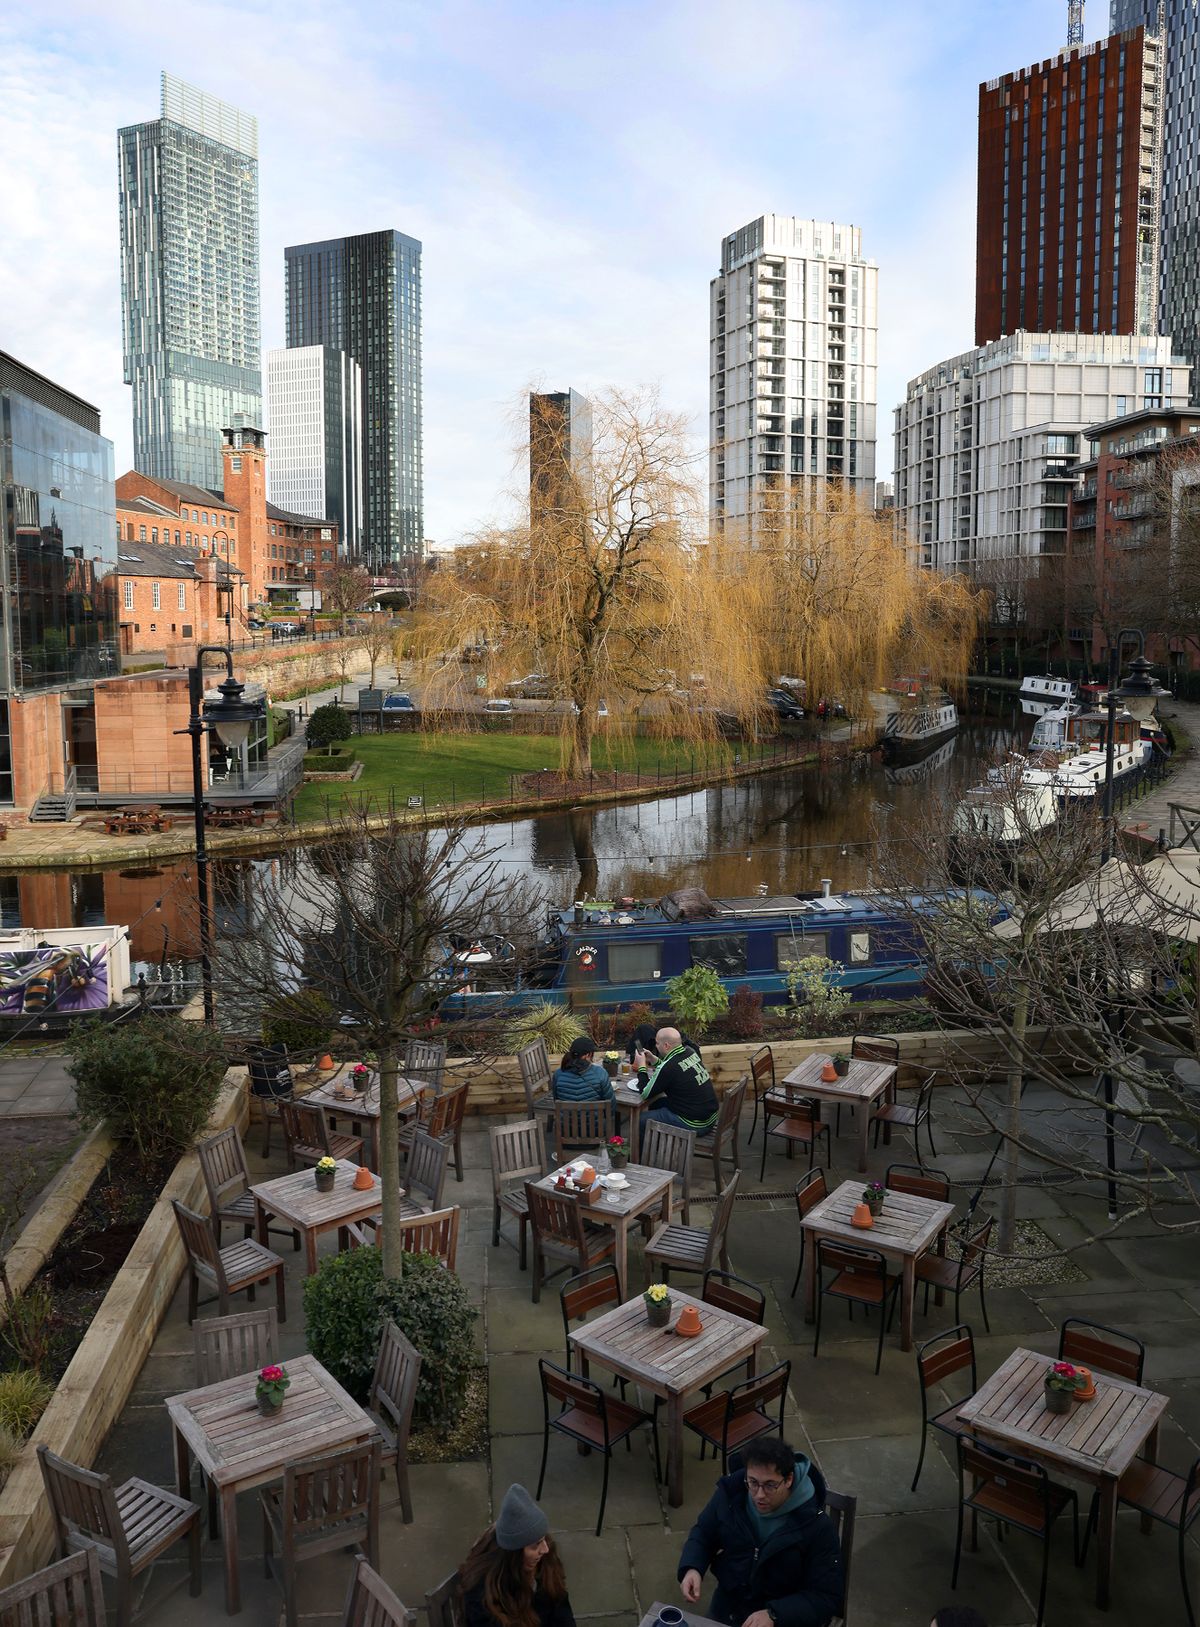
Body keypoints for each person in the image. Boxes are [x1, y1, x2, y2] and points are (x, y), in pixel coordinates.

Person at [678, 1437, 843, 1627]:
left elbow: (825, 1597)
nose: (759, 1495)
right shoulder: (731, 1495)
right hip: (729, 1605)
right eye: (753, 1482)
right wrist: (693, 1567)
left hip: (783, 1617)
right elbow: (703, 1533)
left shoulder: (817, 1526)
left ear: (788, 1479)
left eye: (770, 1485)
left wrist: (774, 1614)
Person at [460, 1484, 575, 1627]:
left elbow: (560, 1605)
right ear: (514, 1554)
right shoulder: (482, 1596)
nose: (545, 1549)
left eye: (543, 1539)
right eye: (536, 1545)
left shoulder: (545, 1559)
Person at [641, 1025, 718, 1141]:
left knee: (641, 1120)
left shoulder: (668, 1067)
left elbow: (644, 1093)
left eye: (657, 1043)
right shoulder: (690, 1051)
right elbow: (675, 1069)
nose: (655, 1046)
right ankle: (656, 1145)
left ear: (666, 1046)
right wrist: (654, 1059)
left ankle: (641, 1158)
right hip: (710, 1117)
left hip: (695, 1124)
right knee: (656, 1103)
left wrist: (642, 1067)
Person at [551, 1036, 615, 1103]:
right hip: (594, 1113)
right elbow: (610, 1102)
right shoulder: (600, 1073)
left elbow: (556, 1100)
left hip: (566, 1113)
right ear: (588, 1055)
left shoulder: (558, 1074)